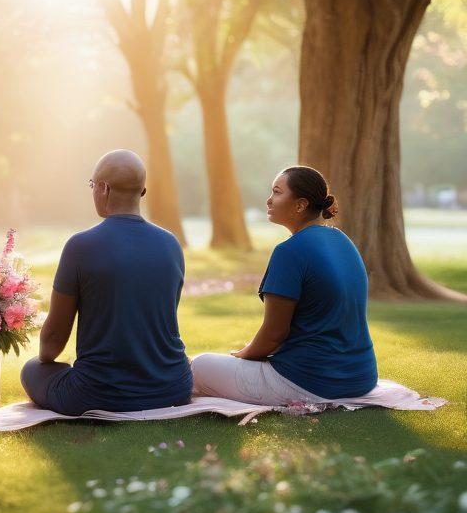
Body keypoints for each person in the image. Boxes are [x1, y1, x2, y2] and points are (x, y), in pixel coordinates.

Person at [20, 150, 193, 415]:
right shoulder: (171, 244)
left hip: (98, 393)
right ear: (142, 191)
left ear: (103, 188)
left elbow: (53, 341)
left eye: (92, 185)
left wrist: (46, 360)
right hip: (173, 388)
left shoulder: (80, 246)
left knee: (32, 369)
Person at [191, 166, 378, 405]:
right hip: (361, 378)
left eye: (277, 192)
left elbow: (274, 335)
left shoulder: (289, 251)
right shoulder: (343, 240)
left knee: (199, 365)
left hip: (311, 383)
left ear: (300, 205)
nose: (269, 200)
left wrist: (242, 355)